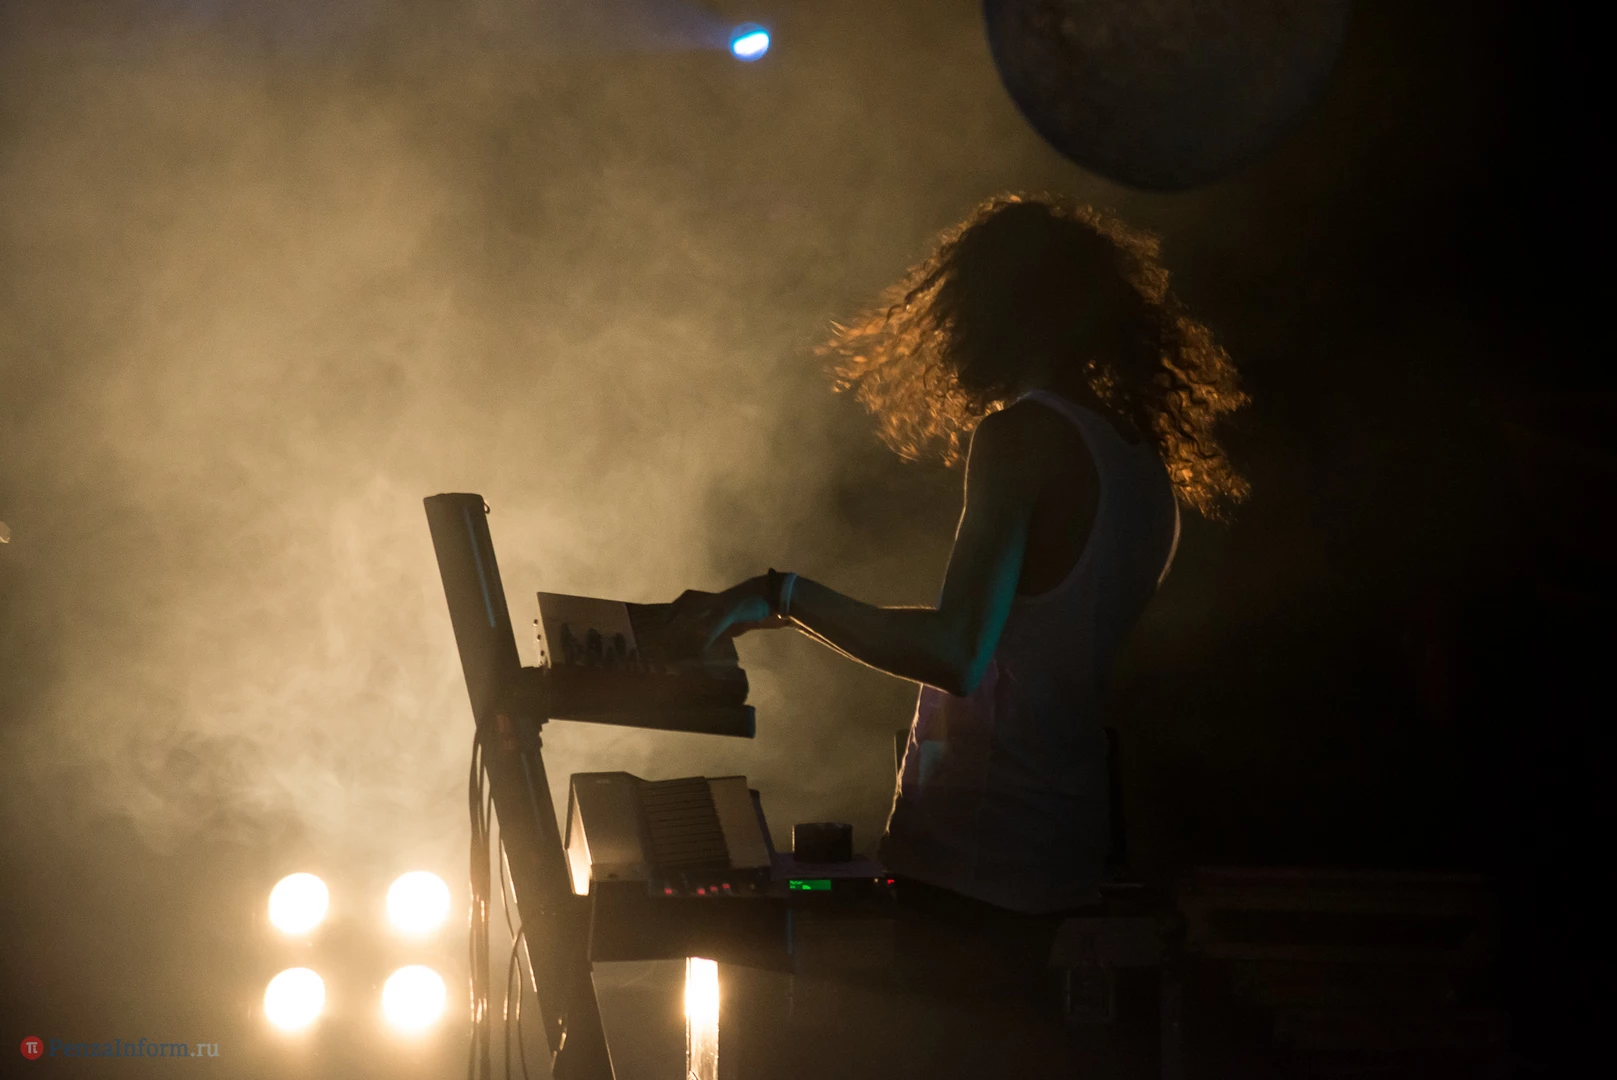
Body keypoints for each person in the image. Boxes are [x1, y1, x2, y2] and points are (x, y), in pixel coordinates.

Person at [670, 192, 1248, 932]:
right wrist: (787, 610)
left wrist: (781, 593)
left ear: (996, 309)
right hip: (1066, 840)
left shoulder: (1021, 436)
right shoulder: (1142, 462)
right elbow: (1018, 641)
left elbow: (956, 653)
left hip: (977, 858)